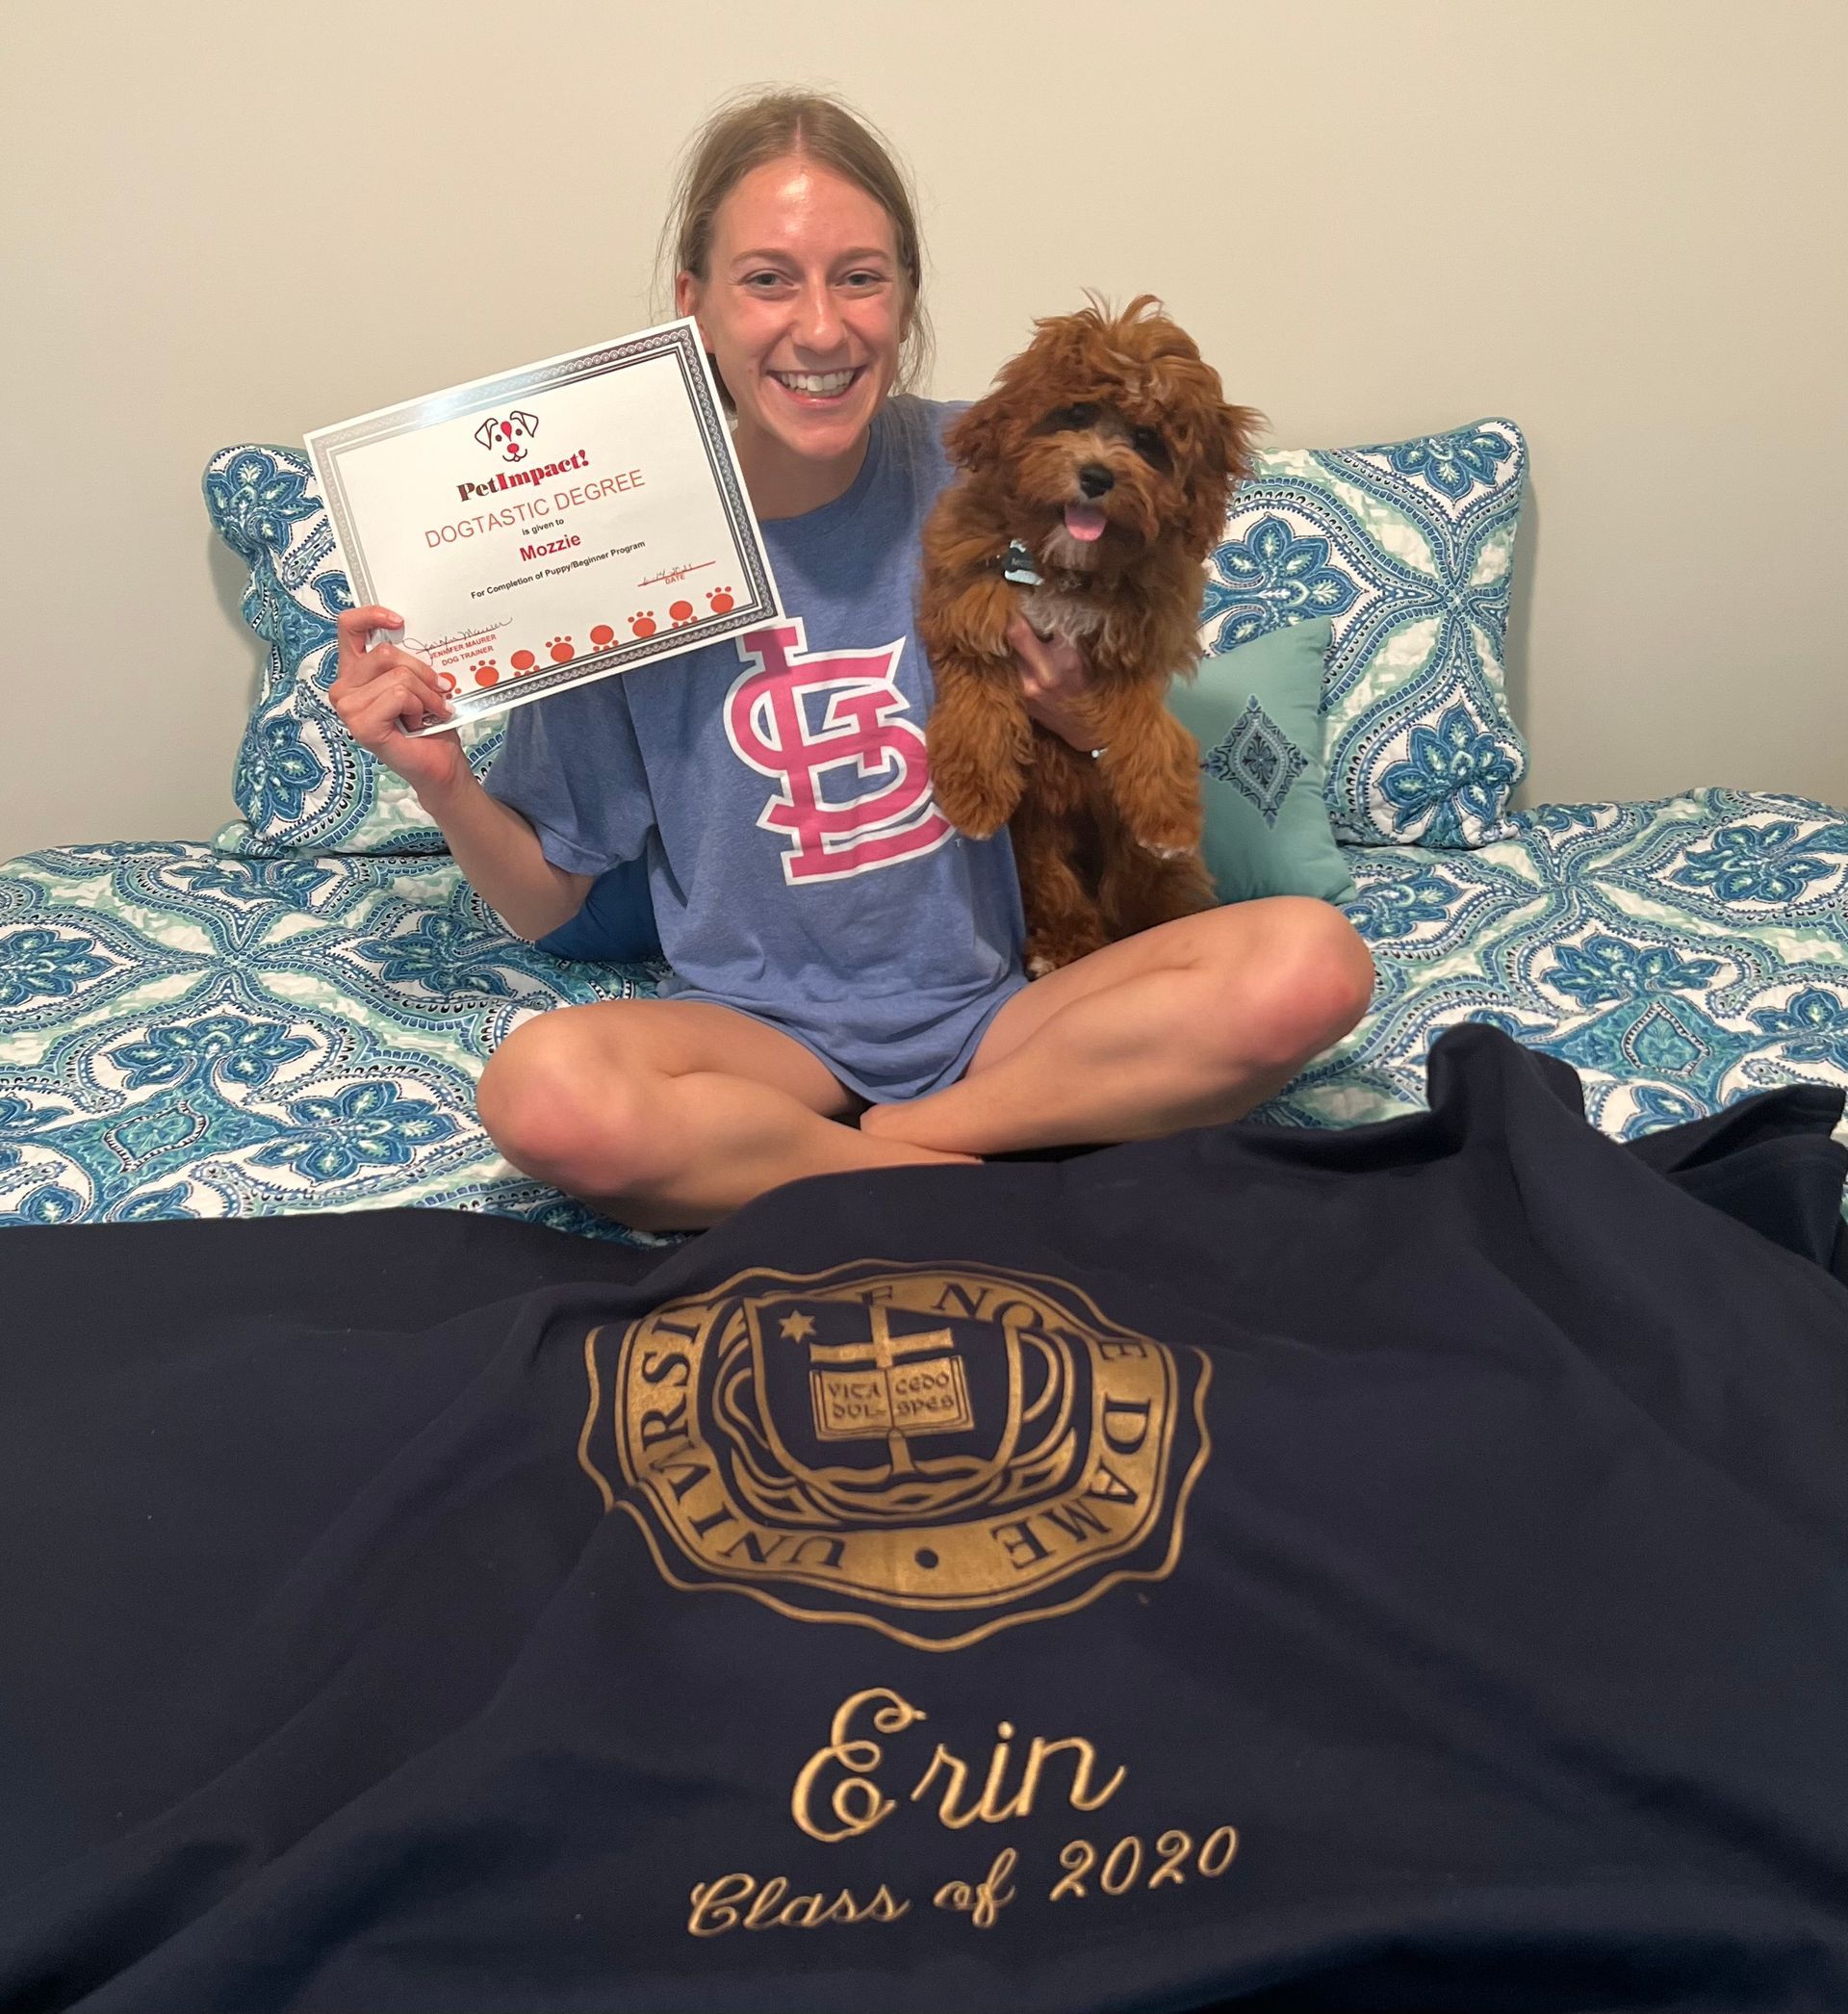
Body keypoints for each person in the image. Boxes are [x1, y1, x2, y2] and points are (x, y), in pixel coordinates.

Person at [329, 88, 1375, 1234]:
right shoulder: (604, 541)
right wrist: (443, 781)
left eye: (860, 277)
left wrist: (1078, 718)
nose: (820, 329)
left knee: (1314, 964)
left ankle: (907, 1145)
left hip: (1005, 1004)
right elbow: (544, 900)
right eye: (768, 278)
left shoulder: (1000, 467)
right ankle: (941, 1175)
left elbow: (1136, 651)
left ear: (906, 296)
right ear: (696, 305)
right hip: (759, 1033)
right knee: (541, 1094)